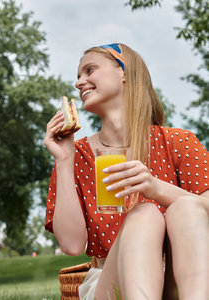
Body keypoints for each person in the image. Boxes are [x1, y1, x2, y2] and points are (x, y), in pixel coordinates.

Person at [44, 43, 209, 300]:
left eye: (90, 70)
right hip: (111, 280)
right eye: (78, 76)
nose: (79, 83)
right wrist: (64, 161)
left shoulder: (179, 142)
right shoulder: (75, 155)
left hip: (183, 276)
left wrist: (156, 188)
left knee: (187, 207)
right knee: (144, 214)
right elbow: (72, 245)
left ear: (124, 72)